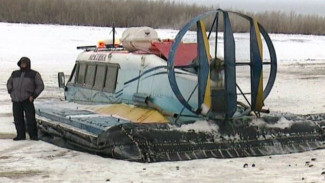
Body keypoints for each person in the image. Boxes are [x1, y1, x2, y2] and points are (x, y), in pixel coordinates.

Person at [7, 57, 44, 141]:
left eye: (24, 63)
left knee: (30, 119)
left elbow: (40, 86)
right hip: (16, 100)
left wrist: (33, 95)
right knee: (18, 119)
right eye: (21, 63)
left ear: (28, 64)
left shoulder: (34, 74)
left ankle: (33, 136)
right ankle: (20, 135)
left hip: (27, 100)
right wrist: (11, 91)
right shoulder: (15, 73)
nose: (23, 64)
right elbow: (9, 83)